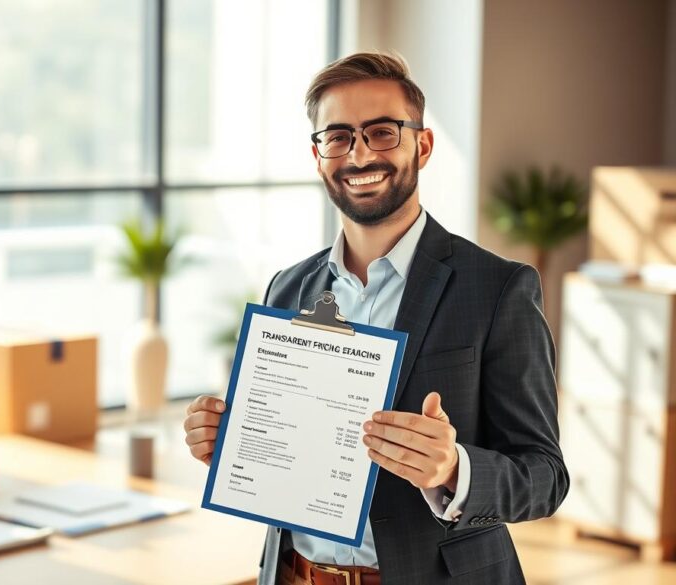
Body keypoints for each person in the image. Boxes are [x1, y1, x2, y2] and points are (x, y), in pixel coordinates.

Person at [183, 52, 568, 585]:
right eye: (338, 136)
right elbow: (285, 456)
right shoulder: (287, 287)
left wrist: (453, 469)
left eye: (382, 132)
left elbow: (545, 477)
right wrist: (229, 445)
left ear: (423, 145)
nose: (359, 154)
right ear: (318, 155)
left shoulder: (499, 287)